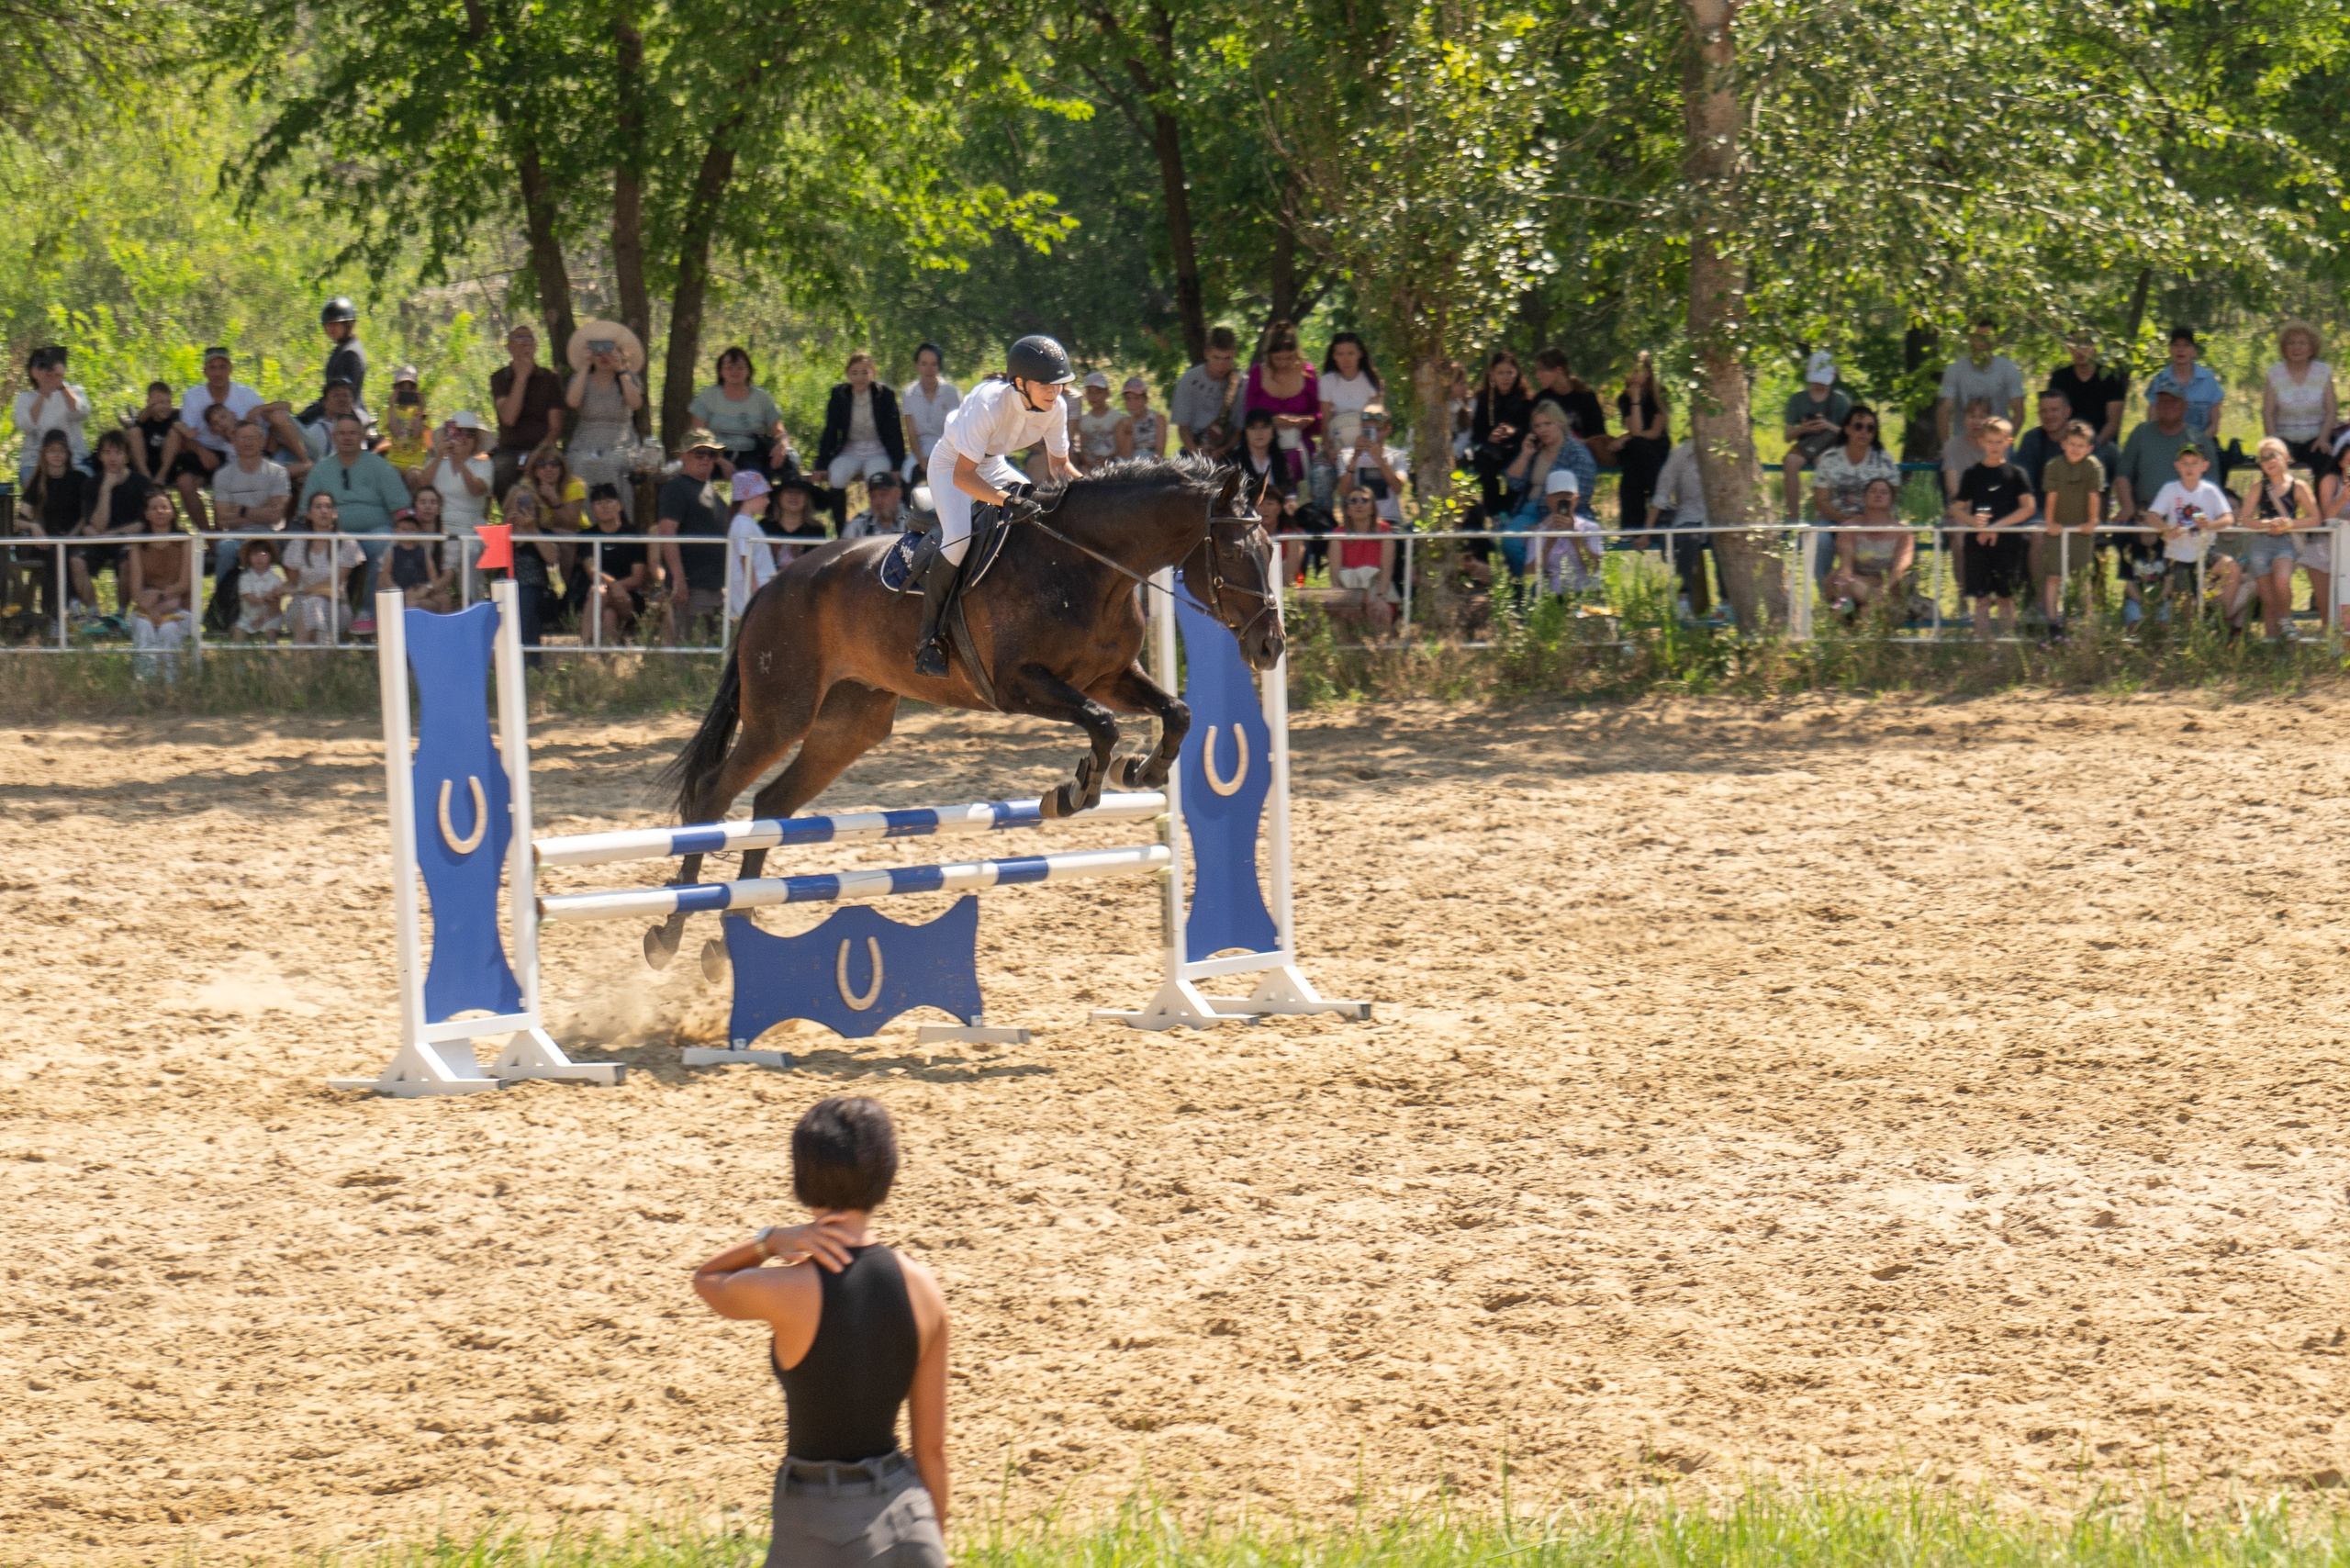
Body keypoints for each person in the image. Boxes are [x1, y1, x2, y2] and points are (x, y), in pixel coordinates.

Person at [691, 1096, 949, 1568]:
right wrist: (938, 1543)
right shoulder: (925, 1290)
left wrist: (768, 1241)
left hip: (814, 1521)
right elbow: (930, 1448)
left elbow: (706, 1282)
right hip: (905, 1518)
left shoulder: (786, 1289)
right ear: (885, 1174)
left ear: (804, 1182)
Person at [914, 335, 1078, 676]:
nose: (1055, 391)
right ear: (1020, 382)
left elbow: (1060, 468)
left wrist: (1094, 492)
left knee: (1040, 517)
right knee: (959, 539)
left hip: (992, 464)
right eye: (1046, 384)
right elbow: (963, 476)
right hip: (951, 464)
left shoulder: (1057, 408)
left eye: (1059, 384)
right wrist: (1008, 500)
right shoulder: (989, 404)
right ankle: (929, 639)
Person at [299, 412, 410, 633]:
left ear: (361, 435)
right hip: (333, 532)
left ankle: (368, 611)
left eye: (353, 433)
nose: (347, 438)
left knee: (384, 545)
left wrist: (402, 529)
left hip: (375, 530)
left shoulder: (379, 466)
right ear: (333, 436)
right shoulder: (321, 469)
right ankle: (329, 616)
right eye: (342, 433)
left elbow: (401, 507)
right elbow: (306, 511)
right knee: (323, 550)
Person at [2114, 387, 2216, 625]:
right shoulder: (2141, 433)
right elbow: (2121, 475)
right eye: (2162, 401)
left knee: (2181, 579)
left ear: (2185, 406)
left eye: (2173, 401)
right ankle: (2135, 614)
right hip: (2147, 521)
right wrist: (2128, 506)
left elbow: (2212, 489)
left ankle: (2187, 627)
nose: (2167, 406)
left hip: (2184, 522)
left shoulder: (2197, 439)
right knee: (2137, 567)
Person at [1950, 416, 2035, 640]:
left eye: (2000, 441)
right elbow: (1956, 509)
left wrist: (1998, 526)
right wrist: (1974, 523)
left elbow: (2028, 508)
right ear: (1981, 442)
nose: (1995, 446)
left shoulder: (2017, 474)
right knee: (1981, 598)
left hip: (2009, 544)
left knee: (2007, 598)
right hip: (1978, 545)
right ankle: (1983, 648)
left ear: (2009, 442)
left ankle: (2008, 650)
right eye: (1990, 441)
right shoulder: (1971, 474)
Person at [2233, 436, 2316, 641]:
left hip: (2285, 543)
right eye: (2263, 458)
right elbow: (2244, 519)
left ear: (2286, 457)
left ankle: (2287, 620)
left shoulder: (2298, 486)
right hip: (2261, 544)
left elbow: (2315, 517)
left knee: (2281, 581)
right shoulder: (2257, 488)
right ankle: (2274, 650)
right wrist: (2265, 524)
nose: (2268, 461)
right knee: (2269, 600)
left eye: (2273, 455)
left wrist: (2289, 524)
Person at [2143, 441, 2232, 625]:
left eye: (2194, 463)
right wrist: (2166, 530)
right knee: (2188, 603)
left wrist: (2210, 525)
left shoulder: (2210, 490)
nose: (2189, 468)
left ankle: (2221, 619)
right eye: (2185, 463)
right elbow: (2152, 516)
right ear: (2177, 466)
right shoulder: (2170, 489)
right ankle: (2196, 635)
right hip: (2178, 556)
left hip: (2206, 551)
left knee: (2232, 569)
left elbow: (2228, 518)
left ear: (2204, 466)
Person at [657, 429, 733, 644]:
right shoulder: (676, 488)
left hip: (716, 585)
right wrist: (679, 580)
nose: (706, 459)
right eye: (699, 453)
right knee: (690, 648)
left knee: (714, 649)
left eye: (711, 454)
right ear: (683, 456)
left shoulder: (713, 491)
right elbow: (667, 533)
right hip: (692, 585)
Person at [566, 325, 647, 523]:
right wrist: (585, 366)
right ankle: (587, 527)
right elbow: (572, 402)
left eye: (609, 349)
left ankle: (618, 526)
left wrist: (621, 371)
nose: (604, 356)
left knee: (610, 464)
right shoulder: (581, 379)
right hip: (585, 444)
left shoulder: (629, 379)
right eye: (598, 349)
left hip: (621, 445)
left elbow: (636, 404)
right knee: (581, 464)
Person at [815, 353, 905, 526]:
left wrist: (897, 464)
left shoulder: (885, 394)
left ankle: (876, 525)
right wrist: (822, 464)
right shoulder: (839, 394)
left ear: (873, 373)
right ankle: (841, 530)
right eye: (855, 373)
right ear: (848, 374)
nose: (860, 377)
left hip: (878, 449)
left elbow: (894, 430)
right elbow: (831, 430)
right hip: (851, 448)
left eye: (865, 372)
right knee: (837, 474)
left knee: (876, 478)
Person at [73, 430, 155, 614]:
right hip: (98, 541)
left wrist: (110, 535)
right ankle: (94, 614)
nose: (112, 458)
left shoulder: (141, 483)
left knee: (127, 561)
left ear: (126, 456)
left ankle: (120, 615)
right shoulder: (90, 484)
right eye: (107, 452)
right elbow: (95, 525)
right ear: (100, 456)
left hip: (128, 541)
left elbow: (142, 524)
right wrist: (106, 489)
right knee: (76, 560)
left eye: (118, 452)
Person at [2037, 420, 2106, 633]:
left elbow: (2094, 496)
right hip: (2057, 528)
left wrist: (2092, 521)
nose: (2076, 449)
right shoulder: (2054, 466)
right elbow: (2051, 497)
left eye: (2081, 445)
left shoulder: (2093, 467)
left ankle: (2085, 622)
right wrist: (2050, 523)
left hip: (2081, 530)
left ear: (2089, 448)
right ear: (2063, 444)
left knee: (2082, 577)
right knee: (2054, 575)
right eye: (2072, 444)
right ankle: (2052, 622)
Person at [490, 324, 569, 498]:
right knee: (500, 473)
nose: (526, 342)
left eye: (529, 338)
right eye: (519, 338)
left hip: (543, 448)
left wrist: (536, 454)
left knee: (558, 471)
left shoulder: (549, 379)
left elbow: (555, 427)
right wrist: (521, 378)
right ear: (509, 347)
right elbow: (509, 418)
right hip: (510, 450)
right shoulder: (500, 378)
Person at [123, 489, 195, 678]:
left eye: (164, 507)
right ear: (146, 515)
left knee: (169, 629)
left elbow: (185, 583)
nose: (160, 511)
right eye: (154, 508)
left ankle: (172, 684)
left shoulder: (185, 542)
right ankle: (145, 683)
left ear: (172, 512)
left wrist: (160, 598)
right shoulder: (138, 545)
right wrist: (150, 608)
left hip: (179, 609)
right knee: (144, 627)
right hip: (147, 607)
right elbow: (136, 589)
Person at [23, 431, 95, 620]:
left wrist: (73, 534)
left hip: (75, 537)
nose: (57, 455)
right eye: (52, 450)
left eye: (61, 450)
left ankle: (69, 609)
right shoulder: (38, 481)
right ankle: (56, 614)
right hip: (47, 539)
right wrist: (34, 527)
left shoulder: (79, 478)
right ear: (44, 453)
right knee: (55, 554)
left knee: (68, 554)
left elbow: (86, 514)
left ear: (68, 453)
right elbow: (20, 517)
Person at [692, 345, 791, 481]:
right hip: (713, 453)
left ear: (749, 371)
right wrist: (720, 461)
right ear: (721, 371)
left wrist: (782, 445)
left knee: (756, 480)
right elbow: (697, 436)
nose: (735, 372)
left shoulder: (761, 398)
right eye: (729, 368)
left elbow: (778, 430)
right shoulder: (707, 397)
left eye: (740, 368)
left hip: (751, 453)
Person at [1825, 476, 1915, 622]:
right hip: (1857, 583)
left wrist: (1884, 589)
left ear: (1892, 501)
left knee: (1857, 607)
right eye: (1873, 491)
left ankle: (1855, 608)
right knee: (1837, 578)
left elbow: (1901, 567)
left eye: (1884, 492)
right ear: (1864, 498)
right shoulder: (1850, 527)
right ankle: (1867, 605)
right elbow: (1846, 560)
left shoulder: (1903, 532)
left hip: (1888, 587)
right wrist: (1846, 574)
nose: (1878, 495)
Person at [1809, 405, 1899, 547]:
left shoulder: (1885, 460)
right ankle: (1821, 571)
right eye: (1858, 426)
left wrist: (1867, 519)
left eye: (1870, 428)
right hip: (1835, 518)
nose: (1864, 432)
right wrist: (1839, 517)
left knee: (1900, 535)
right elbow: (1820, 499)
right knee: (1820, 539)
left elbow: (1892, 497)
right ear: (1847, 429)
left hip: (1875, 518)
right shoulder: (1829, 459)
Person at [419, 412, 497, 576]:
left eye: (470, 434)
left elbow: (477, 489)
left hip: (470, 529)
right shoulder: (436, 463)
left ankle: (470, 599)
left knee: (471, 552)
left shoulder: (484, 464)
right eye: (458, 432)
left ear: (476, 440)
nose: (463, 438)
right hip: (438, 528)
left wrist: (460, 462)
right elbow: (420, 487)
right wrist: (440, 455)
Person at [1646, 438, 1714, 622]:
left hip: (1717, 518)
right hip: (1688, 516)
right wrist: (1646, 533)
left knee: (1726, 537)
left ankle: (1727, 602)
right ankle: (1682, 600)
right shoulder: (1680, 455)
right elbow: (1662, 495)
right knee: (1689, 536)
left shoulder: (1728, 454)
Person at [1244, 320, 1319, 485]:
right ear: (1269, 355)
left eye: (1289, 358)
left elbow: (1319, 413)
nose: (1283, 363)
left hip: (1300, 446)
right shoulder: (1258, 373)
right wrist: (1271, 422)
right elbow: (1248, 414)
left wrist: (1305, 421)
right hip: (1264, 446)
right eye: (1278, 359)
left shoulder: (1308, 374)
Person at [1780, 351, 1852, 521]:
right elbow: (1787, 436)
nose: (1819, 385)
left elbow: (1852, 434)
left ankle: (1823, 517)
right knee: (1790, 462)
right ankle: (1793, 519)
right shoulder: (1797, 400)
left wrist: (1828, 426)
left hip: (1832, 445)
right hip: (1806, 443)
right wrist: (1802, 429)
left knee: (1824, 461)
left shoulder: (1841, 400)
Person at [284, 491, 363, 644]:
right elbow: (292, 583)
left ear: (335, 513)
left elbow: (333, 584)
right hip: (301, 604)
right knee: (311, 608)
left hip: (335, 605)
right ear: (309, 514)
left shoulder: (346, 543)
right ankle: (319, 661)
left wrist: (302, 590)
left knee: (314, 605)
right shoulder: (297, 544)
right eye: (318, 507)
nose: (324, 511)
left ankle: (299, 664)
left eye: (328, 507)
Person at [1936, 317, 2027, 443]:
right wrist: (1947, 447)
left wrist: (2006, 443)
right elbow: (1944, 410)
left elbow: (2019, 412)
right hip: (1963, 444)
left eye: (1988, 337)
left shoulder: (2008, 369)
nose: (1983, 342)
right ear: (1970, 338)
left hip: (1998, 444)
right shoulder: (1954, 370)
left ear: (1995, 339)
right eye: (1978, 337)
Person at [2262, 322, 2335, 476]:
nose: (2297, 347)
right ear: (2284, 348)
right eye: (2291, 343)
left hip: (2316, 438)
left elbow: (2331, 411)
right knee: (2274, 463)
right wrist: (2275, 443)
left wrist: (2323, 439)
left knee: (2328, 462)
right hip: (2284, 440)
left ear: (2311, 348)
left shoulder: (2322, 371)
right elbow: (2267, 413)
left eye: (2302, 343)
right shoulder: (2275, 373)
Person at [1316, 333, 1382, 502]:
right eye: (1340, 354)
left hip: (1366, 445)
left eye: (1350, 353)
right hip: (1337, 445)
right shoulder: (1327, 381)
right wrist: (1329, 449)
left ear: (1360, 353)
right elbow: (1325, 422)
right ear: (1333, 356)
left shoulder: (1371, 380)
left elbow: (1376, 422)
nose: (1346, 359)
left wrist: (1367, 449)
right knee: (1321, 475)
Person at [584, 482, 651, 643]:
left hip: (629, 598)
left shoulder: (634, 535)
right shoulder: (587, 535)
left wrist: (614, 587)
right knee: (608, 615)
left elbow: (637, 578)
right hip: (600, 594)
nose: (604, 506)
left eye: (609, 501)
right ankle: (609, 664)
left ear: (619, 506)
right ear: (592, 509)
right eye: (598, 503)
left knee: (598, 593)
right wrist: (613, 586)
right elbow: (591, 570)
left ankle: (583, 650)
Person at [1469, 351, 1533, 517]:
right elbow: (1476, 433)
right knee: (1484, 464)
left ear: (1517, 374)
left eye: (1510, 373)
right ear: (1492, 374)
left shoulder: (1526, 400)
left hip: (1517, 449)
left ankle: (1509, 511)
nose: (1505, 378)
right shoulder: (1483, 400)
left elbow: (1531, 429)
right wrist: (1490, 436)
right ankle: (1494, 513)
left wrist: (1514, 431)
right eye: (1500, 373)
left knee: (1521, 468)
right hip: (1492, 450)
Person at [13, 346, 89, 483]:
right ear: (31, 371)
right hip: (35, 463)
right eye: (40, 366)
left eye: (49, 365)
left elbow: (81, 413)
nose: (46, 370)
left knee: (87, 484)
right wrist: (43, 392)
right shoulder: (24, 398)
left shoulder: (75, 391)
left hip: (74, 461)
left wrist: (60, 384)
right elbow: (26, 425)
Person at [1614, 352, 1671, 532]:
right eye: (1629, 371)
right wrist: (1635, 399)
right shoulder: (1624, 399)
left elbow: (1654, 432)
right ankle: (1659, 508)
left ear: (1647, 372)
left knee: (1635, 455)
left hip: (1656, 446)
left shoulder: (1661, 394)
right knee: (1635, 455)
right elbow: (1635, 429)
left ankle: (1632, 525)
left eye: (1637, 370)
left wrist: (1628, 437)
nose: (1632, 375)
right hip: (1638, 448)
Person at [1171, 326, 1244, 458]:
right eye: (1216, 358)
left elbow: (1240, 431)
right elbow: (1183, 427)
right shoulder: (1188, 380)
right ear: (1206, 354)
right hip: (1193, 448)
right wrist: (1195, 452)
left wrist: (1222, 450)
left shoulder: (1241, 383)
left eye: (1227, 358)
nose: (1221, 364)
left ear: (1234, 354)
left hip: (1228, 451)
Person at [1331, 489, 1397, 633]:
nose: (1359, 505)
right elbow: (1334, 574)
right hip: (1348, 588)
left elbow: (1387, 569)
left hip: (1378, 587)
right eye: (1353, 501)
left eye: (1364, 500)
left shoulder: (1385, 531)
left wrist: (1380, 597)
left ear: (1373, 507)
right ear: (1347, 510)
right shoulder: (1338, 534)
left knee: (1382, 613)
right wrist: (1339, 602)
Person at [2143, 326, 2224, 442]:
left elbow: (2214, 425)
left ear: (2194, 351)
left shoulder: (2208, 379)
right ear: (2170, 350)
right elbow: (2152, 421)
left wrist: (2195, 445)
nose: (2180, 350)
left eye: (2186, 345)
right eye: (2176, 345)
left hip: (2202, 444)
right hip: (2167, 444)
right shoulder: (2160, 380)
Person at [2047, 330, 2126, 443]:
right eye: (2075, 344)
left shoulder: (2111, 378)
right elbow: (2053, 417)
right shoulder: (2059, 378)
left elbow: (2113, 424)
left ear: (2096, 346)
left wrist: (2091, 448)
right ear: (2069, 347)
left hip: (2101, 444)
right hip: (2065, 443)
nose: (2080, 349)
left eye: (2087, 344)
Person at [1531, 349, 1611, 460]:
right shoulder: (1541, 399)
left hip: (1581, 455)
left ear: (1558, 370)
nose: (1537, 376)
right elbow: (1534, 433)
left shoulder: (1586, 397)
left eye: (1541, 371)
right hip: (1550, 456)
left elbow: (1598, 435)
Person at [898, 343, 961, 479]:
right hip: (920, 448)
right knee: (908, 475)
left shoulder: (952, 393)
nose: (929, 369)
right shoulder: (908, 393)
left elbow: (958, 429)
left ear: (939, 366)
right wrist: (921, 459)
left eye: (934, 364)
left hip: (947, 446)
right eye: (924, 364)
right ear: (917, 366)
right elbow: (911, 432)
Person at [1537, 469, 1606, 594]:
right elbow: (1530, 573)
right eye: (1558, 497)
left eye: (1567, 497)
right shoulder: (1540, 532)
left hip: (1584, 594)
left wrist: (1574, 535)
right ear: (1547, 500)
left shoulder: (1591, 528)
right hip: (1550, 598)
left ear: (1576, 499)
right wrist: (1549, 541)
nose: (1563, 501)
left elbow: (1595, 567)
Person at [726, 469, 780, 617]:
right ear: (749, 496)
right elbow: (746, 559)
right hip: (752, 591)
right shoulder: (742, 524)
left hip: (759, 587)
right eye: (763, 496)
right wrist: (756, 592)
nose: (768, 501)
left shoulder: (747, 523)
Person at [311, 297, 370, 423]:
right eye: (328, 324)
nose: (330, 328)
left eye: (335, 324)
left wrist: (311, 413)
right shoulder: (340, 349)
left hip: (346, 418)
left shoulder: (350, 353)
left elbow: (341, 396)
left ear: (348, 324)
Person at [2312, 442, 2350, 633]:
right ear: (2341, 461)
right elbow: (2326, 516)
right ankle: (2329, 653)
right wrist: (2343, 498)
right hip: (2326, 549)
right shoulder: (2330, 480)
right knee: (2328, 607)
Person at [387, 506, 453, 614]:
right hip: (400, 591)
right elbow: (385, 576)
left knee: (444, 599)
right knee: (411, 603)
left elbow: (433, 578)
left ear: (419, 531)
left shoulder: (424, 552)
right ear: (396, 530)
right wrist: (399, 591)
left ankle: (444, 629)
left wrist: (426, 589)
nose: (408, 533)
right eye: (404, 529)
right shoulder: (392, 552)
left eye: (412, 529)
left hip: (422, 590)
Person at [768, 469, 831, 568]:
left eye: (799, 493)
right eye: (789, 492)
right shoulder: (764, 527)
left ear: (807, 499)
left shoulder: (816, 531)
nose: (794, 496)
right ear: (778, 497)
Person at [232, 538, 290, 642]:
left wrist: (263, 619)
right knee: (238, 631)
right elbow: (250, 599)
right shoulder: (244, 578)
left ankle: (272, 654)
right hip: (247, 616)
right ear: (248, 557)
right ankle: (237, 656)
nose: (259, 558)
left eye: (264, 555)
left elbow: (276, 606)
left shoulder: (276, 579)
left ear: (271, 557)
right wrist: (266, 598)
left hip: (270, 617)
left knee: (270, 631)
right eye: (255, 554)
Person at [524, 442, 587, 532]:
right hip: (541, 536)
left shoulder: (574, 486)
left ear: (562, 468)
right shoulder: (527, 488)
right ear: (534, 471)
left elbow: (570, 526)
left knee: (561, 532)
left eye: (554, 464)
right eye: (541, 464)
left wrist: (554, 500)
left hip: (575, 537)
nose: (548, 468)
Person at [1069, 371, 1124, 472]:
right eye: (1090, 392)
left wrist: (1107, 458)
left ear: (1107, 393)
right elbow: (1083, 446)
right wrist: (1087, 460)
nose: (1094, 396)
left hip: (1113, 460)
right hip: (1092, 462)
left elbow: (1120, 446)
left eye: (1098, 392)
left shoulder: (1116, 417)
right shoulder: (1084, 421)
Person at [129, 382, 182, 482]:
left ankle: (160, 477)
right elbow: (134, 430)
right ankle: (147, 478)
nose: (166, 406)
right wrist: (141, 419)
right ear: (150, 403)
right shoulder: (144, 418)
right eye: (161, 402)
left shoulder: (174, 417)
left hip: (166, 467)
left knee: (175, 433)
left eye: (169, 402)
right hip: (145, 466)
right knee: (134, 432)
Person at [842, 466, 908, 539]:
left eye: (883, 495)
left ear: (898, 494)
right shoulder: (857, 525)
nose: (878, 501)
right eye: (873, 496)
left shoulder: (913, 523)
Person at [1114, 376, 1166, 460]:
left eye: (1137, 398)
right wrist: (1129, 433)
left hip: (1152, 461)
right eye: (1128, 399)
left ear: (1145, 399)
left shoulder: (1158, 419)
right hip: (1130, 464)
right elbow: (1125, 455)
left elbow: (1160, 450)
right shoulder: (1122, 424)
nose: (1132, 403)